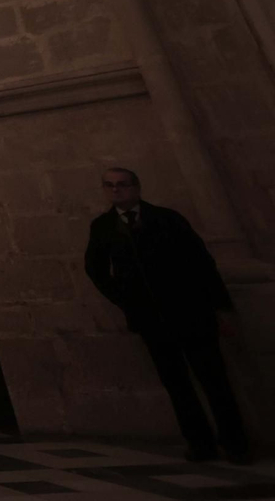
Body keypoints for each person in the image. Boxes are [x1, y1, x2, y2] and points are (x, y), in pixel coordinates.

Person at [84, 167, 249, 462]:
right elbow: (96, 269)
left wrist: (219, 307)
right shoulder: (103, 227)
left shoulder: (166, 219)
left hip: (191, 313)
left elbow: (201, 262)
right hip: (152, 319)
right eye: (109, 185)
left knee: (214, 380)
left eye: (122, 184)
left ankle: (235, 443)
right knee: (177, 384)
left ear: (136, 187)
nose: (116, 190)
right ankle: (200, 442)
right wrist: (125, 299)